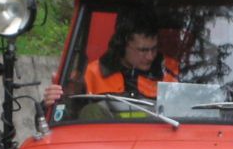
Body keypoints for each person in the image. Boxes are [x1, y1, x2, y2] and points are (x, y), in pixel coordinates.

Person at [43, 13, 178, 110]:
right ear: (122, 45)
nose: (150, 57)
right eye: (143, 50)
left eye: (154, 49)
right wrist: (50, 102)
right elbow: (61, 119)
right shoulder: (90, 75)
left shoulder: (171, 70)